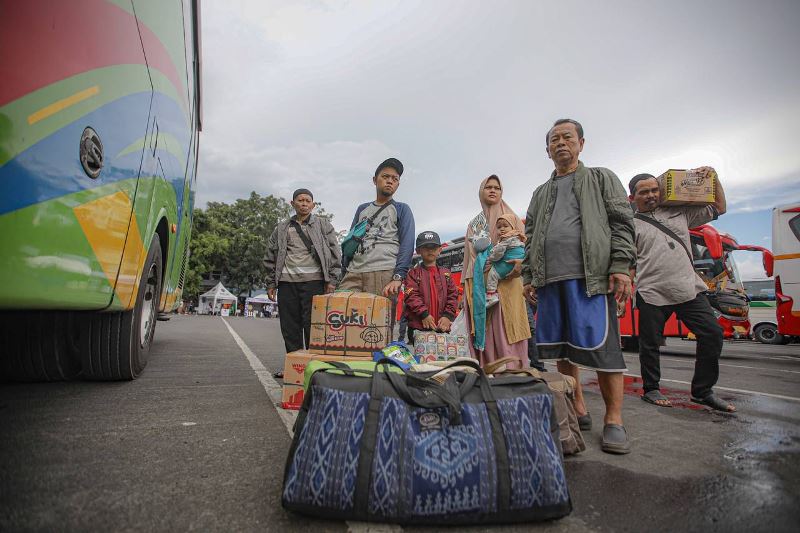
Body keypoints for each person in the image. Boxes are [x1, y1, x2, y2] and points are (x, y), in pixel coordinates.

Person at [522, 118, 636, 454]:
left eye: (567, 137)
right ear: (547, 150)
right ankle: (578, 409)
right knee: (562, 351)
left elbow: (622, 224)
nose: (561, 143)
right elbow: (530, 238)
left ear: (581, 144)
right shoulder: (540, 193)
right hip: (549, 281)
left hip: (591, 278)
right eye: (554, 140)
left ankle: (614, 420)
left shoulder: (602, 178)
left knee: (604, 352)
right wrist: (530, 276)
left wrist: (620, 266)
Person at [628, 170, 734, 412]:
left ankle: (703, 391)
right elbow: (629, 262)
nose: (651, 195)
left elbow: (720, 207)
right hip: (651, 292)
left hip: (688, 289)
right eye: (644, 192)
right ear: (632, 197)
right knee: (650, 344)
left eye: (655, 190)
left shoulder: (681, 213)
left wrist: (714, 177)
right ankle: (651, 389)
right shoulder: (630, 225)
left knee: (712, 334)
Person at [264, 188, 341, 359]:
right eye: (300, 200)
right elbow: (270, 255)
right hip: (286, 282)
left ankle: (313, 364)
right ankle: (295, 366)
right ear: (293, 203)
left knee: (313, 325)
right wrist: (271, 283)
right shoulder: (282, 228)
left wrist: (333, 280)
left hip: (314, 282)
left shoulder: (323, 225)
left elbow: (335, 252)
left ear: (313, 205)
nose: (304, 204)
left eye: (307, 201)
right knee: (290, 327)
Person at [463, 175, 531, 368]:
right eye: (488, 187)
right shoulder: (475, 223)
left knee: (509, 326)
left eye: (497, 188)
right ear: (481, 191)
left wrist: (522, 263)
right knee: (487, 326)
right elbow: (472, 258)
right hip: (480, 283)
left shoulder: (513, 219)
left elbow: (526, 247)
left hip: (510, 282)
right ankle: (489, 367)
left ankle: (513, 368)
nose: (493, 190)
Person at [340, 158, 415, 319]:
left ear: (398, 185)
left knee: (378, 327)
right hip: (354, 271)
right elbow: (350, 240)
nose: (390, 181)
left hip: (384, 273)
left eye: (395, 179)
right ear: (375, 180)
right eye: (385, 176)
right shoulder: (362, 209)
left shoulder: (402, 209)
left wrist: (398, 277)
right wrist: (344, 270)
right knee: (342, 320)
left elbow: (407, 245)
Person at [403, 231, 459, 344]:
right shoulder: (412, 274)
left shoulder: (446, 274)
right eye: (426, 247)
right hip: (418, 327)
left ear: (439, 250)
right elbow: (411, 296)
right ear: (418, 251)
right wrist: (424, 314)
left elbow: (453, 296)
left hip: (441, 328)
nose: (430, 250)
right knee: (418, 359)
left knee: (442, 358)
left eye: (433, 247)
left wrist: (447, 316)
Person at [484, 214, 526, 308]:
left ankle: (491, 296)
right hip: (518, 262)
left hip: (509, 264)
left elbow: (497, 254)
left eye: (505, 226)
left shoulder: (506, 240)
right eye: (499, 227)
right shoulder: (518, 237)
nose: (502, 229)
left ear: (512, 227)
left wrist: (491, 257)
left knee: (492, 274)